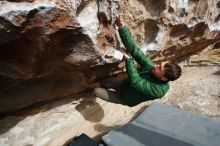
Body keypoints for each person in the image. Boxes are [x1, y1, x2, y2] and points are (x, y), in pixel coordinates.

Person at [93, 17, 182, 107]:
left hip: (125, 98)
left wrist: (128, 59)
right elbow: (135, 50)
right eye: (160, 64)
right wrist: (122, 28)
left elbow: (136, 82)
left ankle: (103, 89)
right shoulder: (151, 67)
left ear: (164, 78)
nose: (156, 66)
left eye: (160, 68)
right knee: (103, 82)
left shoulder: (158, 91)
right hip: (125, 84)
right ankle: (103, 85)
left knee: (96, 91)